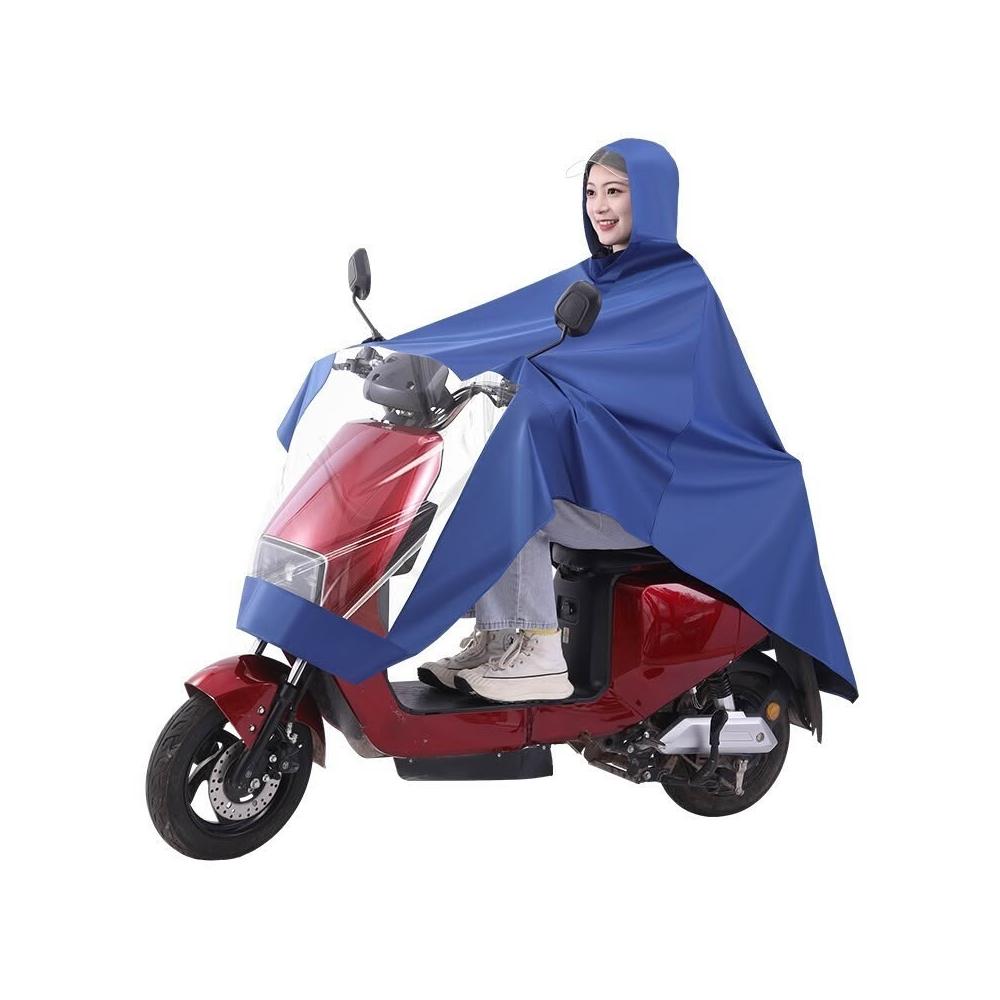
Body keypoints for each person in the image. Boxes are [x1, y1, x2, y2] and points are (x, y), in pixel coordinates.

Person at [418, 149, 648, 703]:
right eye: (591, 193)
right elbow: (507, 334)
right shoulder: (594, 281)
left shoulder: (675, 289)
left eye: (614, 191)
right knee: (477, 479)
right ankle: (500, 637)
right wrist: (413, 353)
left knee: (516, 496)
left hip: (651, 501)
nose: (599, 206)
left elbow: (643, 396)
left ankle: (540, 650)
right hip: (605, 484)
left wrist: (542, 399)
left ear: (652, 198)